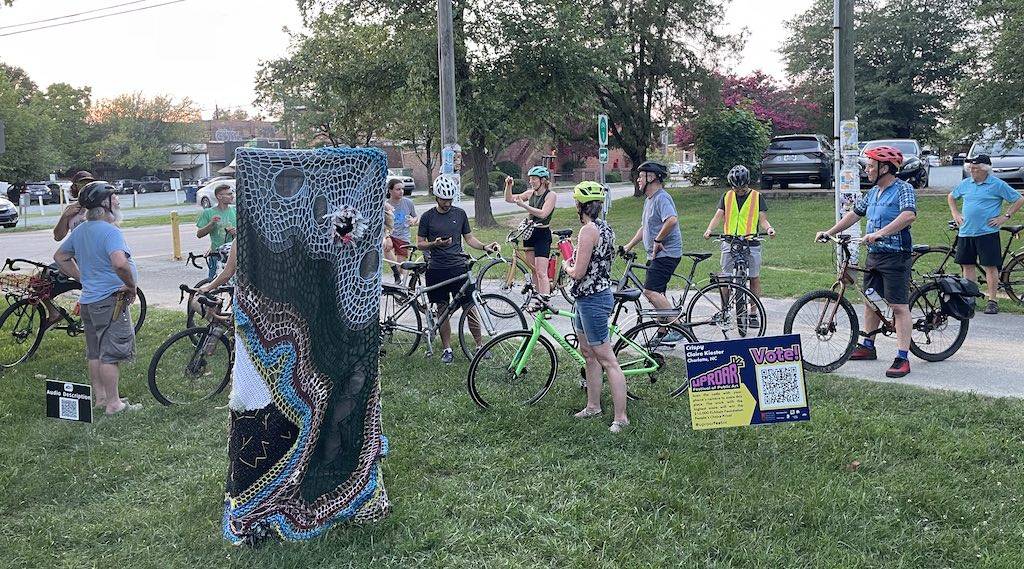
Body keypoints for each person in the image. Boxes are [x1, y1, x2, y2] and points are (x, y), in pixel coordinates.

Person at [816, 145, 917, 378]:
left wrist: (881, 233)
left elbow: (908, 215)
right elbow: (854, 214)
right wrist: (829, 232)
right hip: (874, 255)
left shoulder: (904, 189)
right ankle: (868, 346)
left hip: (896, 255)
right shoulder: (872, 193)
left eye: (872, 166)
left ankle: (902, 357)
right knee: (870, 299)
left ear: (886, 168)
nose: (868, 170)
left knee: (899, 306)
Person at [53, 181, 141, 415]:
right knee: (110, 354)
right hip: (110, 301)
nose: (117, 200)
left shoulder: (82, 229)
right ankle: (114, 404)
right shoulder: (111, 231)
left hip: (89, 301)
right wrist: (131, 285)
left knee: (95, 352)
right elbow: (119, 263)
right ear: (104, 204)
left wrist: (83, 277)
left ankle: (101, 398)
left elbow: (60, 256)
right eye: (113, 197)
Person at [562, 181, 629, 433]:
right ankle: (593, 406)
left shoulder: (587, 231)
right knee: (588, 353)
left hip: (593, 300)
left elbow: (578, 272)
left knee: (607, 358)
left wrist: (566, 266)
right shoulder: (605, 228)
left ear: (580, 205)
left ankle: (621, 417)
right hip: (587, 298)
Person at [416, 175, 500, 364]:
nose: (447, 203)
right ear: (436, 197)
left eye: (450, 199)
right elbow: (420, 244)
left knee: (470, 307)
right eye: (444, 199)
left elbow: (469, 238)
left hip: (458, 268)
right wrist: (434, 244)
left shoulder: (459, 214)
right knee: (443, 309)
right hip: (437, 269)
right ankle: (447, 349)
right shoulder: (427, 217)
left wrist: (485, 246)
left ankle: (479, 346)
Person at [947, 154, 1024, 314]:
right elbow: (951, 197)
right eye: (971, 168)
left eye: (976, 169)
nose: (973, 171)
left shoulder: (997, 184)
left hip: (987, 232)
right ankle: (970, 298)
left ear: (985, 169)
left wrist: (1005, 217)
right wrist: (955, 213)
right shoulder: (966, 184)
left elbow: (1018, 199)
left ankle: (992, 300)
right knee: (967, 265)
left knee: (990, 266)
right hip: (966, 231)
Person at [703, 164, 776, 325]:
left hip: (751, 241)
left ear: (747, 183)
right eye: (736, 188)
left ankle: (753, 313)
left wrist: (769, 229)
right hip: (730, 241)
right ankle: (724, 311)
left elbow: (762, 219)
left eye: (742, 188)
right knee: (725, 276)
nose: (739, 191)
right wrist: (709, 229)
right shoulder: (727, 196)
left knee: (754, 277)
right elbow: (718, 216)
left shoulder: (757, 197)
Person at [621, 160, 685, 342]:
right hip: (657, 254)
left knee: (650, 292)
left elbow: (671, 219)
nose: (638, 180)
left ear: (652, 177)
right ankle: (663, 332)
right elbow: (645, 228)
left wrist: (658, 239)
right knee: (658, 294)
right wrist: (628, 246)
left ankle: (678, 328)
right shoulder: (650, 200)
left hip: (667, 253)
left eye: (641, 176)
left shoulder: (662, 198)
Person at [504, 166, 557, 308]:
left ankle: (545, 305)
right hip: (529, 233)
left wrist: (524, 206)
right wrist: (508, 186)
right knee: (533, 269)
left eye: (534, 179)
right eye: (530, 179)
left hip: (542, 234)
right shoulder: (530, 193)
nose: (531, 181)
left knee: (541, 272)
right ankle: (537, 302)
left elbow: (543, 214)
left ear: (543, 180)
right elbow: (509, 199)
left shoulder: (550, 195)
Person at [195, 183, 237, 280]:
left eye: (232, 193)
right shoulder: (208, 212)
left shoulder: (235, 210)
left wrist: (235, 233)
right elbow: (199, 234)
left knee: (233, 285)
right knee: (213, 282)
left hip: (233, 254)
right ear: (219, 196)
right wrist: (211, 224)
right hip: (216, 255)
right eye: (229, 194)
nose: (232, 196)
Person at [386, 178, 418, 283]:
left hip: (403, 236)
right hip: (390, 234)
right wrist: (387, 236)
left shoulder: (408, 203)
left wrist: (413, 220)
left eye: (402, 189)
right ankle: (395, 273)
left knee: (401, 266)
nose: (401, 192)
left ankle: (401, 287)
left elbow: (415, 216)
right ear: (390, 190)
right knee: (385, 245)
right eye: (398, 189)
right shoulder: (386, 205)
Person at [52, 171, 95, 241]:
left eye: (90, 183)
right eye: (82, 184)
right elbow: (58, 237)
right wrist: (65, 216)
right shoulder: (70, 209)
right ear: (75, 187)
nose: (87, 186)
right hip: (78, 250)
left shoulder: (102, 205)